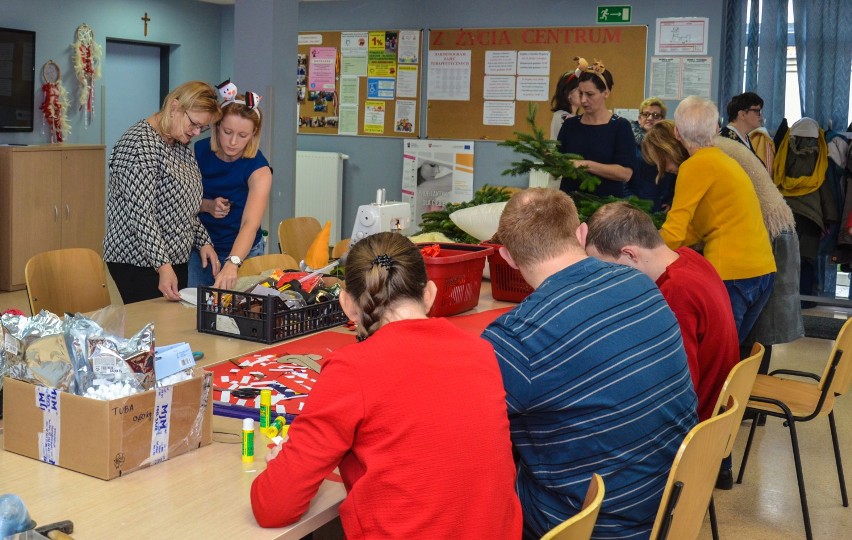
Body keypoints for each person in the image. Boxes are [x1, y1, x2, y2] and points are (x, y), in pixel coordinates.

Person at [251, 232, 522, 538]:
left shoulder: (353, 370)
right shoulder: (481, 352)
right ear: (430, 293)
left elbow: (273, 507)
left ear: (347, 304)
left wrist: (284, 467)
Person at [482, 188, 697, 539]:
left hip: (592, 524)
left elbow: (466, 429)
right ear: (581, 233)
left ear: (506, 256)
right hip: (671, 499)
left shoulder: (515, 339)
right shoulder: (641, 283)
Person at [643, 120, 802, 360]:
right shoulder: (719, 158)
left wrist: (644, 255)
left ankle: (721, 399)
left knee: (717, 359)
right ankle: (735, 396)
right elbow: (696, 229)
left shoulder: (695, 165)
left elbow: (675, 231)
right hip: (763, 269)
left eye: (662, 162)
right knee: (734, 354)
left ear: (669, 149)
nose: (665, 170)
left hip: (732, 272)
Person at [585, 201, 740, 422]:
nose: (606, 278)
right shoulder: (690, 258)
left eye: (607, 268)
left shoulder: (675, 293)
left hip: (695, 424)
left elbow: (677, 388)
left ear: (630, 254)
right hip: (716, 408)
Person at [103, 81, 221, 304]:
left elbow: (185, 206)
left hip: (171, 258)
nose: (196, 132)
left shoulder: (177, 143)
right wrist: (163, 266)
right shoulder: (138, 144)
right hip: (139, 262)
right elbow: (141, 214)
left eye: (202, 128)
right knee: (158, 329)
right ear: (175, 107)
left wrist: (204, 241)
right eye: (194, 124)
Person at [188, 84, 273, 290]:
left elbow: (250, 225)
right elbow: (181, 202)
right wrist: (207, 205)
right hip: (201, 248)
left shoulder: (259, 169)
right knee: (195, 312)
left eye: (243, 136)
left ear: (253, 134)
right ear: (217, 126)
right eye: (227, 132)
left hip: (243, 251)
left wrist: (233, 263)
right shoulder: (199, 151)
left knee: (239, 313)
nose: (233, 142)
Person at [557, 62, 635, 198]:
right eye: (580, 93)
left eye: (590, 94)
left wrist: (586, 165)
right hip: (571, 205)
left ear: (606, 93)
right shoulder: (569, 125)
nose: (583, 100)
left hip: (605, 208)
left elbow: (625, 173)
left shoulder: (620, 127)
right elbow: (556, 166)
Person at [627, 97, 675, 210]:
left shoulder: (670, 144)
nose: (650, 118)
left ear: (662, 119)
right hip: (634, 204)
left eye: (656, 115)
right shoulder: (629, 141)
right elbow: (623, 176)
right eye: (646, 114)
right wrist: (629, 201)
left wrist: (670, 200)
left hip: (661, 207)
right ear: (639, 118)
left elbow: (675, 176)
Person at [720, 92, 764, 159]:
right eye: (757, 111)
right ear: (742, 115)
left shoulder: (745, 137)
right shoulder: (725, 138)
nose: (760, 116)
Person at [549, 70, 581, 140]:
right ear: (568, 94)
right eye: (580, 91)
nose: (584, 95)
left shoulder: (574, 116)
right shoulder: (562, 116)